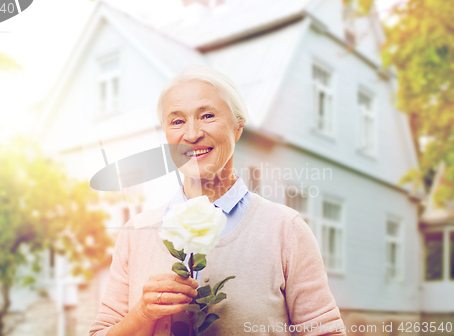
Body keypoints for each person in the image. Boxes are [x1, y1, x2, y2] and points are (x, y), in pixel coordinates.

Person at [89, 65, 346, 336]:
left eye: (207, 116)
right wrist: (142, 314)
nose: (191, 134)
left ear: (238, 127)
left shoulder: (286, 229)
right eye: (177, 121)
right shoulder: (136, 234)